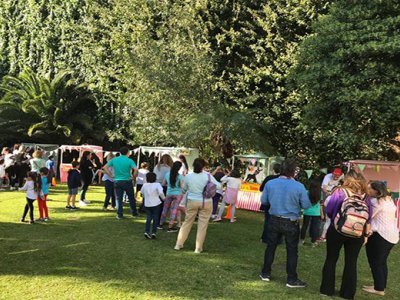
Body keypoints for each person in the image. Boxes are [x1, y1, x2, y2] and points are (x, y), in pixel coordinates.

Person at [320, 170, 372, 299]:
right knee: (351, 262)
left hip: (338, 229)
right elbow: (369, 216)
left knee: (331, 258)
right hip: (357, 231)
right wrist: (365, 234)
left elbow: (330, 209)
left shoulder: (340, 191)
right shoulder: (366, 196)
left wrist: (335, 220)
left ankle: (327, 290)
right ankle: (348, 293)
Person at [259, 158, 311, 288]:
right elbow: (306, 205)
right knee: (292, 250)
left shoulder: (270, 183)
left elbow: (264, 201)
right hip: (291, 221)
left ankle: (265, 273)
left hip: (274, 218)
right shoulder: (299, 186)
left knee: (270, 247)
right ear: (294, 172)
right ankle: (291, 279)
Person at [174, 158, 221, 253]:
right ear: (203, 166)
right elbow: (219, 186)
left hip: (192, 201)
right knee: (202, 225)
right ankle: (198, 248)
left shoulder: (188, 176)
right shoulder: (208, 176)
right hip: (206, 202)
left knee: (187, 223)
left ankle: (178, 244)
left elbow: (184, 190)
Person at [363, 181, 399, 296]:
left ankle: (379, 288)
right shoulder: (388, 200)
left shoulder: (376, 202)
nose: (367, 191)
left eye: (369, 189)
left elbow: (368, 216)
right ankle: (380, 285)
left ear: (377, 191)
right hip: (391, 235)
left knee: (375, 262)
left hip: (381, 235)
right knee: (382, 262)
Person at [103, 146, 138, 219]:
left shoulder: (115, 160)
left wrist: (111, 175)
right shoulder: (130, 160)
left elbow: (105, 167)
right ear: (127, 152)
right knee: (131, 198)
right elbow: (136, 169)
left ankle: (119, 214)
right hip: (127, 181)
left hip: (117, 181)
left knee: (119, 198)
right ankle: (134, 213)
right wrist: (134, 177)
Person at [159, 161, 183, 232]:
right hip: (177, 194)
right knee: (174, 210)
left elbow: (163, 183)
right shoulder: (180, 176)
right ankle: (170, 227)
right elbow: (181, 186)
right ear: (179, 168)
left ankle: (160, 224)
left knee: (165, 209)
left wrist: (169, 185)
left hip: (169, 193)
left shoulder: (167, 174)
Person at [260, 163, 281, 243]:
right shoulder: (283, 180)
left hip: (269, 201)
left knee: (268, 220)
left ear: (273, 170)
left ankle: (265, 238)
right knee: (279, 220)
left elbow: (261, 188)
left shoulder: (269, 178)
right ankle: (278, 239)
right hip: (279, 202)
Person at [141, 172, 165, 239]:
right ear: (155, 178)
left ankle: (147, 231)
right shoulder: (157, 184)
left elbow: (142, 193)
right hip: (156, 203)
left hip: (147, 204)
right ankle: (154, 232)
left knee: (148, 218)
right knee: (156, 218)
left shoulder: (145, 185)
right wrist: (164, 199)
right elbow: (160, 193)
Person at [300, 176, 323, 246]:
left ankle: (301, 240)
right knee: (314, 228)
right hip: (316, 213)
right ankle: (313, 242)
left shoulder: (307, 192)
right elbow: (321, 204)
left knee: (304, 226)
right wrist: (322, 214)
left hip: (307, 211)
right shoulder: (320, 194)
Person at [154, 154, 173, 221]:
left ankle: (156, 218)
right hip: (165, 186)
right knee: (164, 204)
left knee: (157, 203)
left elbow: (154, 175)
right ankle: (161, 219)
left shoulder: (157, 166)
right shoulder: (170, 168)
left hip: (157, 185)